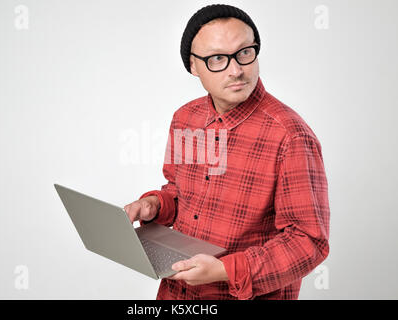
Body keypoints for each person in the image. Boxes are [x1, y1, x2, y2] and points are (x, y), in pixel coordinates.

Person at [124, 4, 330, 300]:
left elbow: (308, 242)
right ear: (193, 66)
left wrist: (224, 271)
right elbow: (180, 192)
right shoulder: (186, 118)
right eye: (218, 58)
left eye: (245, 52)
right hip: (176, 295)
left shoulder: (291, 135)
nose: (236, 70)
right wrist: (155, 205)